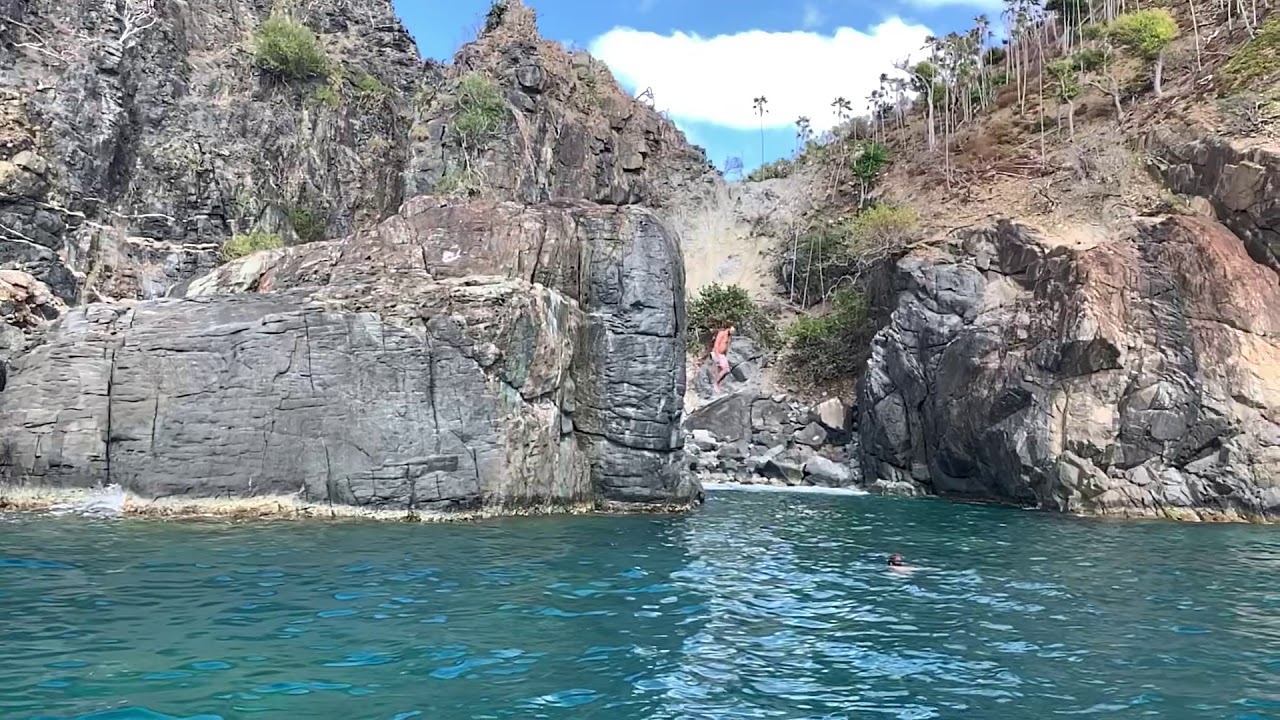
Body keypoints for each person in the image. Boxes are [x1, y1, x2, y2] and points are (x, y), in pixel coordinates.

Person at [710, 326, 735, 392]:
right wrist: (717, 355)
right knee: (723, 369)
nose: (733, 332)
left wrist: (725, 355)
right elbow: (716, 344)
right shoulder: (722, 333)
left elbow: (726, 347)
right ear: (729, 329)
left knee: (726, 369)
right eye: (732, 330)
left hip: (723, 355)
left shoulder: (729, 336)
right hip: (718, 353)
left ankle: (719, 384)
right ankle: (715, 384)